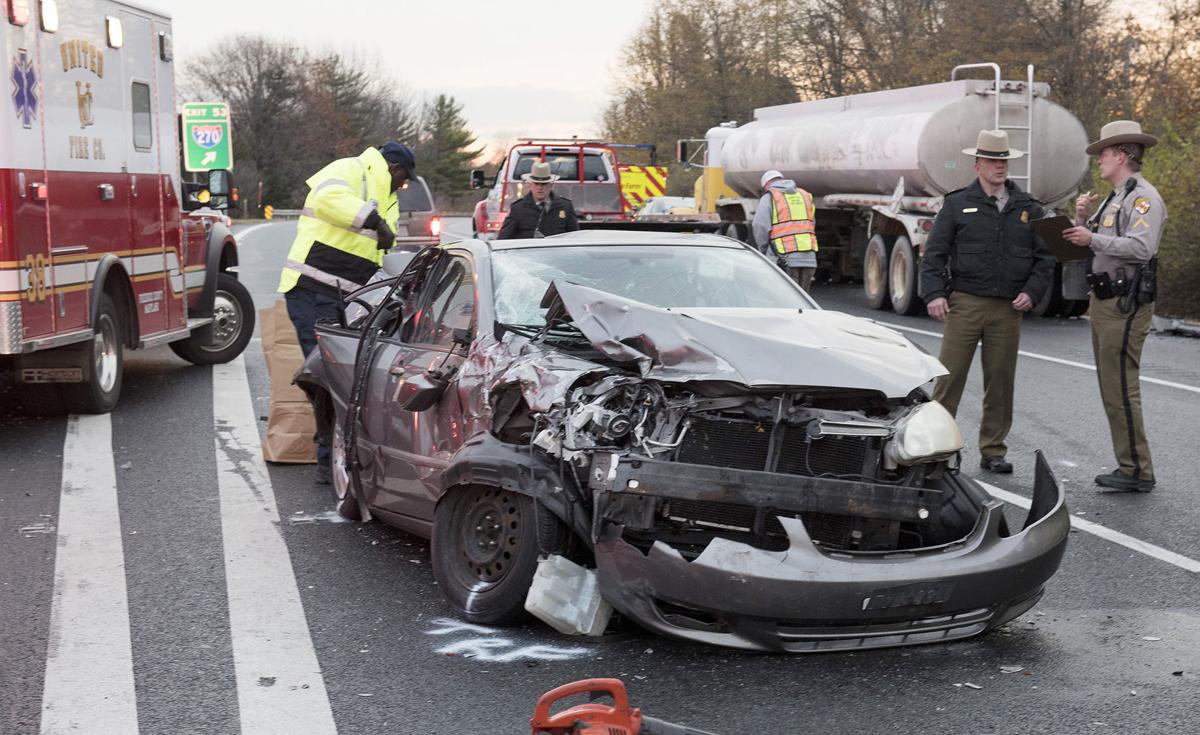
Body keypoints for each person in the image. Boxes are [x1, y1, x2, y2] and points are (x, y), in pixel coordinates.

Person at [277, 141, 416, 483]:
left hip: (344, 298)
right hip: (311, 288)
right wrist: (373, 220)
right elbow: (327, 200)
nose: (404, 186)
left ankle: (337, 455)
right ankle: (328, 460)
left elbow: (382, 245)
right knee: (324, 375)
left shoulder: (388, 196)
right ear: (394, 168)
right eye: (404, 179)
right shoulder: (351, 169)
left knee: (340, 377)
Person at [919, 129, 1055, 474]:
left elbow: (1045, 258)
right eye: (993, 161)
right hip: (965, 303)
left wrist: (1032, 292)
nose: (999, 167)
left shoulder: (1028, 207)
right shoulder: (956, 203)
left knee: (1000, 380)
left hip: (1008, 308)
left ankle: (993, 449)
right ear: (978, 164)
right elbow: (934, 254)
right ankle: (935, 447)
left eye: (1004, 161)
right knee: (950, 379)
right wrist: (934, 294)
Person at [1062, 121, 1164, 492]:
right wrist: (1080, 220)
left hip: (1125, 303)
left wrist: (1092, 236)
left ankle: (1138, 470)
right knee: (1112, 386)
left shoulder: (1142, 198)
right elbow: (1090, 243)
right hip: (1106, 301)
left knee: (1121, 387)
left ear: (1121, 155)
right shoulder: (1116, 196)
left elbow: (1141, 248)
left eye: (1103, 154)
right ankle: (1131, 465)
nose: (1099, 161)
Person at [752, 170, 817, 290]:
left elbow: (760, 225)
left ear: (766, 184)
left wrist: (763, 249)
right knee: (804, 299)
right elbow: (811, 223)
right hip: (809, 258)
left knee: (787, 300)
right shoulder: (804, 195)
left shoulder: (769, 197)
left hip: (783, 259)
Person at [497, 161, 579, 239]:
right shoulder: (518, 209)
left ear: (551, 185)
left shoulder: (565, 207)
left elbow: (575, 238)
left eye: (544, 184)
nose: (540, 188)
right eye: (536, 184)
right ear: (530, 185)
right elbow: (503, 239)